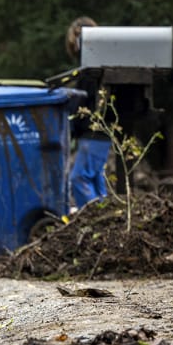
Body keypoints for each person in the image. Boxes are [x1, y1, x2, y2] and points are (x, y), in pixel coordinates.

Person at [65, 16, 112, 208]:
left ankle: (96, 219)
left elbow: (85, 99)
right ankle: (106, 218)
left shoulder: (91, 71)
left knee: (80, 178)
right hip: (100, 131)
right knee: (95, 177)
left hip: (93, 132)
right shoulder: (97, 67)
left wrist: (73, 124)